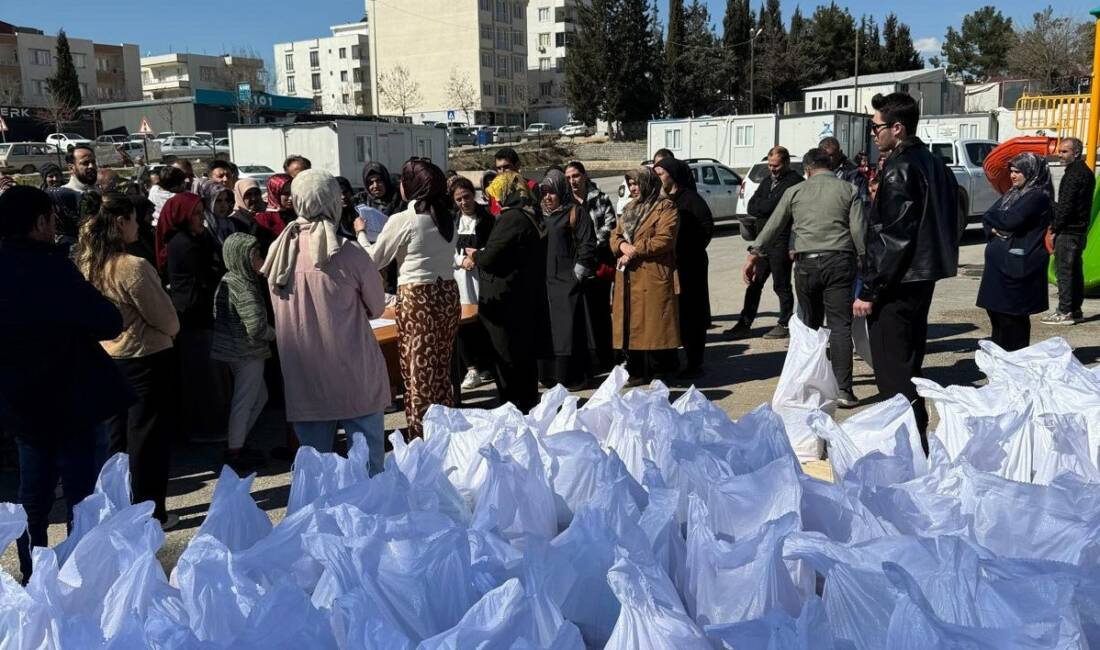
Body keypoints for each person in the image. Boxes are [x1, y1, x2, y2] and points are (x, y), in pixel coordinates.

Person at [0, 186, 134, 582]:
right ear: (40, 223)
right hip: (71, 399)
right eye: (51, 219)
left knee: (33, 499)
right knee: (83, 499)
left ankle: (34, 575)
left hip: (21, 403)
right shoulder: (50, 267)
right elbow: (108, 321)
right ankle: (84, 576)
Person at [261, 169, 389, 469]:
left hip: (304, 375)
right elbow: (378, 306)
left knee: (317, 472)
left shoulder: (278, 251)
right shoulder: (347, 252)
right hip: (354, 372)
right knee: (369, 469)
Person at [855, 92, 960, 446]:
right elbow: (953, 215)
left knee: (894, 371)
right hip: (921, 277)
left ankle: (908, 447)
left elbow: (895, 237)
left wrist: (870, 290)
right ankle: (915, 440)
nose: (873, 133)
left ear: (897, 128)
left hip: (898, 283)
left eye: (876, 126)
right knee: (910, 363)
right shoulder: (934, 162)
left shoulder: (901, 167)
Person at [72, 191, 180, 530]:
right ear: (120, 222)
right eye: (134, 218)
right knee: (147, 439)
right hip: (144, 357)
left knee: (115, 440)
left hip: (106, 356)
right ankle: (150, 514)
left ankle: (115, 509)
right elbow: (166, 318)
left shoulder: (85, 263)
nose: (139, 224)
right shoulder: (132, 267)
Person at [744, 148, 866, 407]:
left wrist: (754, 254)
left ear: (807, 170)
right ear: (830, 166)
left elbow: (773, 225)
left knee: (809, 327)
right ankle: (844, 391)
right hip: (839, 263)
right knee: (840, 327)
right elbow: (858, 231)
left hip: (805, 265)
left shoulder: (795, 191)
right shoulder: (848, 190)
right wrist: (866, 263)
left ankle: (810, 388)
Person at [362, 159, 459, 438]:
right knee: (440, 369)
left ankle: (420, 436)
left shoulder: (404, 220)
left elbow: (374, 259)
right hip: (447, 293)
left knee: (417, 373)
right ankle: (444, 431)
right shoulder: (446, 216)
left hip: (419, 297)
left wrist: (360, 231)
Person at [473, 171, 549, 410]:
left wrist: (476, 254)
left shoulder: (511, 218)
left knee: (508, 355)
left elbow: (490, 258)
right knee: (523, 354)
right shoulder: (529, 214)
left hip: (507, 298)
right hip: (524, 294)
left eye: (496, 196)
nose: (494, 202)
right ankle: (526, 402)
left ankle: (513, 405)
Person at [157, 192, 229, 443]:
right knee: (202, 376)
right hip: (193, 315)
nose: (201, 219)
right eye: (196, 214)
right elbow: (201, 278)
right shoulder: (184, 243)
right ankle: (204, 428)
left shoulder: (194, 239)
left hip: (197, 313)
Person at [611, 167, 680, 386]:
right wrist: (622, 245)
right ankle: (637, 369)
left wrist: (635, 250)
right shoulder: (629, 209)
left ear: (648, 183)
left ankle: (661, 371)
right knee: (633, 324)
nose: (633, 188)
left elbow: (665, 238)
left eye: (636, 183)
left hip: (652, 273)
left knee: (655, 324)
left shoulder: (665, 207)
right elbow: (615, 235)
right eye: (630, 184)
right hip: (630, 276)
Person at [977, 153, 1053, 351]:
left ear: (1031, 172)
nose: (1012, 176)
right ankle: (1002, 361)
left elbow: (1010, 220)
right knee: (997, 314)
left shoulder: (1037, 196)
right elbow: (988, 217)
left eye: (1018, 171)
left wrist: (995, 219)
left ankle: (1014, 361)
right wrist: (993, 226)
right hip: (999, 266)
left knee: (1012, 318)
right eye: (1011, 171)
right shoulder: (1013, 194)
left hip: (1018, 267)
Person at [211, 233, 273, 472]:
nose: (261, 259)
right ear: (242, 258)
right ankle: (234, 450)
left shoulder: (229, 279)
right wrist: (276, 335)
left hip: (234, 350)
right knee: (245, 400)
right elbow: (256, 326)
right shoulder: (244, 286)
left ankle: (237, 441)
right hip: (247, 352)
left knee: (259, 397)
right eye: (256, 255)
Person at [726, 146, 802, 340]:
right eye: (769, 165)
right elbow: (753, 205)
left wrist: (766, 206)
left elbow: (776, 208)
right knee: (755, 283)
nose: (772, 169)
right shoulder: (768, 181)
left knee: (781, 285)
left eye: (775, 166)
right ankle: (744, 322)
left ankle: (784, 323)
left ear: (785, 163)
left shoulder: (794, 182)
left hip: (781, 241)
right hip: (764, 242)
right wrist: (766, 207)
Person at [654, 157, 713, 378]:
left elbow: (706, 228)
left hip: (690, 266)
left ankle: (694, 362)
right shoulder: (659, 200)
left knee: (692, 315)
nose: (658, 177)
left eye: (661, 173)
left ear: (673, 174)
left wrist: (687, 250)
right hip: (667, 267)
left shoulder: (691, 199)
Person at [540, 168, 598, 389]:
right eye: (544, 192)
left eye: (552, 192)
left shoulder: (575, 212)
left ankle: (573, 376)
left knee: (568, 330)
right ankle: (550, 376)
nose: (547, 197)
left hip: (566, 282)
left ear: (561, 191)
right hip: (545, 281)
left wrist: (576, 276)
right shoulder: (541, 215)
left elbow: (587, 244)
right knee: (551, 330)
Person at [565, 161, 616, 371]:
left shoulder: (601, 198)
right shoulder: (565, 202)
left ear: (585, 176)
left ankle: (607, 358)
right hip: (573, 265)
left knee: (600, 313)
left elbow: (610, 226)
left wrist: (589, 245)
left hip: (597, 263)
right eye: (568, 178)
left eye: (575, 176)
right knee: (579, 315)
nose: (572, 181)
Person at [1042, 137, 1094, 325]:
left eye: (1065, 152)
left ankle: (1065, 311)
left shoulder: (1074, 174)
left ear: (1076, 153)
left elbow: (1067, 206)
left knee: (1064, 271)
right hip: (1078, 231)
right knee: (1074, 271)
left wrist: (1055, 228)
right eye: (1060, 151)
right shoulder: (1084, 172)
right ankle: (1075, 310)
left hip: (1069, 231)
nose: (1060, 155)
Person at [450, 176, 495, 390]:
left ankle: (487, 365)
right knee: (464, 325)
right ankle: (471, 368)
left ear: (473, 195)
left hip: (481, 277)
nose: (463, 202)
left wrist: (476, 257)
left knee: (484, 322)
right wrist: (461, 260)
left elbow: (493, 246)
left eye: (466, 197)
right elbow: (446, 250)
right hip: (460, 279)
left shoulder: (486, 219)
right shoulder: (452, 220)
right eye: (458, 199)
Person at [819, 136, 867, 202]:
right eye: (824, 155)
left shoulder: (854, 174)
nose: (827, 159)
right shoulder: (814, 171)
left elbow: (862, 202)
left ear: (840, 153)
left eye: (831, 155)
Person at [200, 180, 237, 247]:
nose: (224, 205)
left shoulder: (232, 224)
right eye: (218, 201)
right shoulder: (202, 228)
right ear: (208, 202)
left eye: (226, 200)